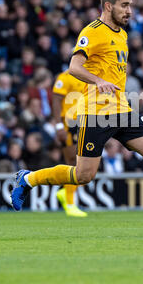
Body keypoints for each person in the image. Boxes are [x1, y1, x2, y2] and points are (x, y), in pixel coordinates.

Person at [11, 0, 143, 228]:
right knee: (83, 175)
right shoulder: (92, 31)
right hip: (96, 113)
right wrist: (98, 81)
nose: (129, 11)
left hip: (122, 110)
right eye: (124, 5)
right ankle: (28, 179)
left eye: (131, 6)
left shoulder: (122, 34)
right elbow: (74, 67)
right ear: (108, 6)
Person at [52, 69, 87, 217]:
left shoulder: (91, 75)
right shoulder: (66, 76)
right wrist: (59, 125)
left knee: (85, 163)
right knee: (73, 160)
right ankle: (70, 202)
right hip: (69, 123)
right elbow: (55, 99)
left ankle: (66, 193)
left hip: (85, 122)